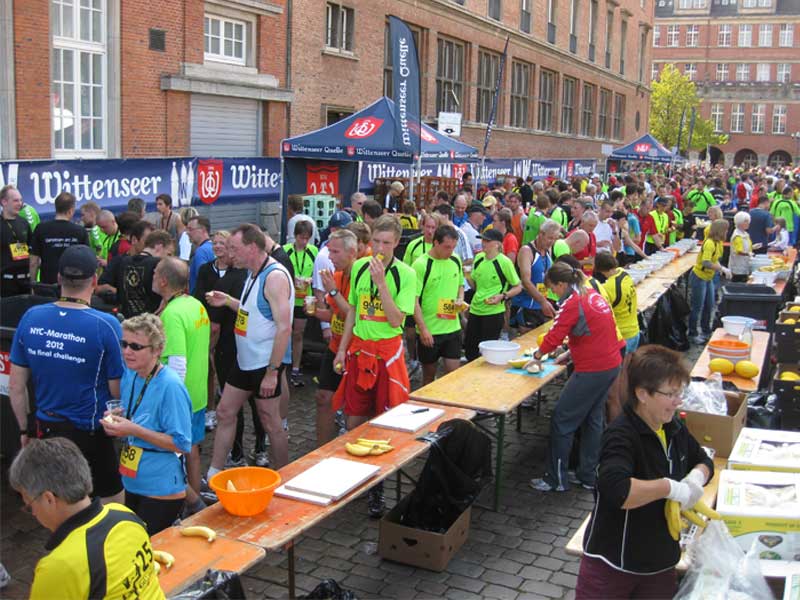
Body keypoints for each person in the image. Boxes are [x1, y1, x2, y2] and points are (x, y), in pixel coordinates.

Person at [577, 346, 713, 599]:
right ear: (642, 394)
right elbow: (619, 491)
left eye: (680, 392)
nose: (678, 401)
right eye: (670, 394)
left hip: (660, 563)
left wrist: (697, 476)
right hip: (614, 564)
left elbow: (704, 460)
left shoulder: (673, 428)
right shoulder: (621, 436)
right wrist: (670, 487)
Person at [9, 245, 125, 503]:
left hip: (47, 428)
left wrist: (24, 431)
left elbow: (16, 386)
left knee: (60, 500)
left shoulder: (31, 317)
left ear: (59, 278)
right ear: (94, 280)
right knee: (111, 502)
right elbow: (117, 390)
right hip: (91, 431)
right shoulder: (107, 324)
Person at [332, 215, 416, 517]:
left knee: (384, 422)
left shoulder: (406, 274)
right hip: (359, 351)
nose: (380, 249)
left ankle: (377, 488)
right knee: (354, 419)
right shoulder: (358, 267)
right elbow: (353, 311)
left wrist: (382, 284)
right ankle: (354, 477)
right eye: (376, 242)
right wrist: (342, 349)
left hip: (387, 355)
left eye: (386, 243)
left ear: (396, 243)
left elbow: (396, 320)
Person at [9, 438, 164, 599]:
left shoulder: (58, 567)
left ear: (49, 499)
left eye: (30, 506)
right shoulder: (125, 515)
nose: (34, 514)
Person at [206, 223, 294, 475]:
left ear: (252, 247)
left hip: (264, 364)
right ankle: (214, 474)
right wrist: (228, 301)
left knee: (271, 422)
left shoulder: (274, 277)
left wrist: (272, 372)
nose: (230, 254)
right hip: (245, 361)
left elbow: (284, 328)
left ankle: (284, 477)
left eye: (235, 248)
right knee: (225, 411)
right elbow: (254, 312)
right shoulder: (253, 272)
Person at [530, 262, 623, 492]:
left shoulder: (572, 302)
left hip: (593, 368)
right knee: (593, 419)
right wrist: (570, 353)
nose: (553, 293)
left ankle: (556, 479)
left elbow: (554, 335)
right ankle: (588, 475)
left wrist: (537, 356)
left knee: (562, 419)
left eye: (553, 288)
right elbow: (596, 330)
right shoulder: (590, 293)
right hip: (610, 362)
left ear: (562, 284)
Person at [101, 313, 193, 534]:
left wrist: (133, 429)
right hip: (132, 480)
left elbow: (182, 444)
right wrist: (119, 418)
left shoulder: (170, 386)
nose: (127, 352)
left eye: (136, 346)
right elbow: (139, 414)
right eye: (124, 344)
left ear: (157, 350)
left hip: (161, 488)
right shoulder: (131, 374)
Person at [152, 257, 210, 512]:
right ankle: (194, 505)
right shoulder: (195, 304)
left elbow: (177, 364)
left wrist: (167, 401)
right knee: (192, 449)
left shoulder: (173, 315)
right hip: (197, 393)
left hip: (180, 398)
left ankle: (182, 504)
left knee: (173, 453)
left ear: (164, 280)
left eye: (155, 272)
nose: (152, 276)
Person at [204, 235, 264, 467]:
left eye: (231, 248)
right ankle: (258, 450)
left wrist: (209, 349)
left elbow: (215, 327)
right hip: (248, 350)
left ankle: (240, 454)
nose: (228, 253)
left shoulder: (235, 280)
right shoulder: (252, 277)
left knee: (236, 408)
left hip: (234, 351)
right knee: (253, 405)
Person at [312, 229, 358, 446]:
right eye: (329, 251)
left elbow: (353, 315)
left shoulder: (361, 276)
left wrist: (332, 292)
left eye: (335, 252)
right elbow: (335, 314)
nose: (330, 257)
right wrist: (315, 312)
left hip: (354, 350)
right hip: (335, 346)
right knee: (323, 398)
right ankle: (321, 450)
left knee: (352, 409)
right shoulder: (337, 276)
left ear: (351, 252)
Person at [412, 224, 465, 386]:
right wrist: (423, 329)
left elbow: (460, 285)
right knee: (429, 378)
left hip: (452, 328)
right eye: (447, 247)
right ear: (436, 243)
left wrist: (460, 299)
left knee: (454, 376)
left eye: (453, 247)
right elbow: (413, 301)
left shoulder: (455, 260)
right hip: (430, 330)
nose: (450, 251)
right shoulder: (421, 265)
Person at [464, 228, 522, 361]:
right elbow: (476, 286)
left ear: (497, 244)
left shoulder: (504, 262)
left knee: (488, 351)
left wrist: (503, 296)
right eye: (482, 240)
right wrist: (467, 275)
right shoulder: (479, 258)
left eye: (487, 241)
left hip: (493, 312)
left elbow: (518, 286)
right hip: (475, 309)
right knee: (470, 349)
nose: (483, 243)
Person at [97, 230, 173, 318]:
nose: (168, 258)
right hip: (152, 319)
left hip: (128, 320)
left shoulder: (124, 262)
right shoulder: (158, 264)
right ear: (159, 247)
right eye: (168, 254)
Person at [284, 220, 318, 386]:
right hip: (288, 298)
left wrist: (310, 279)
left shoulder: (313, 251)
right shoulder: (285, 250)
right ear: (295, 236)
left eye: (307, 238)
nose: (304, 241)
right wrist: (293, 278)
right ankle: (283, 364)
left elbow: (318, 273)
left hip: (305, 299)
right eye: (301, 237)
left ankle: (296, 368)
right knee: (284, 332)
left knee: (298, 334)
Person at [29, 192, 88, 286]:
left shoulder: (41, 229)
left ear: (56, 208)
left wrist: (33, 284)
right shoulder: (80, 231)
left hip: (48, 284)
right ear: (71, 210)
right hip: (73, 285)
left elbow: (33, 261)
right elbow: (85, 261)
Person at [511, 220, 560, 332]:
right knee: (526, 339)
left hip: (541, 303)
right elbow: (526, 281)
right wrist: (543, 301)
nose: (552, 242)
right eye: (550, 238)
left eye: (555, 239)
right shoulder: (527, 251)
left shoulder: (548, 250)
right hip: (525, 304)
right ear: (541, 233)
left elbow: (547, 276)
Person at [689, 219, 731, 345]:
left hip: (708, 277)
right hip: (699, 277)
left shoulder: (718, 243)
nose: (727, 232)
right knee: (697, 307)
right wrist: (721, 269)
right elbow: (706, 262)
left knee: (709, 305)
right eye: (726, 230)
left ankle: (706, 331)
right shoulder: (709, 243)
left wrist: (722, 268)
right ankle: (692, 333)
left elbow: (715, 259)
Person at [595, 253, 640, 354]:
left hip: (621, 334)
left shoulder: (608, 288)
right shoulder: (624, 273)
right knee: (629, 362)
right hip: (634, 330)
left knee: (620, 363)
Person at [1, 185, 33, 296]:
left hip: (25, 281)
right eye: (15, 200)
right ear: (4, 202)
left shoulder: (24, 223)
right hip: (6, 283)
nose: (20, 203)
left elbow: (32, 248)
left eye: (20, 200)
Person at [187, 215, 215, 294]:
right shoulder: (214, 248)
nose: (187, 233)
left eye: (190, 229)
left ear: (203, 230)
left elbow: (202, 279)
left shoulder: (201, 251)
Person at [570, 211, 598, 275]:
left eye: (594, 226)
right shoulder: (573, 235)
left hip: (589, 274)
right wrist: (585, 262)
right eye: (590, 225)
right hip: (576, 275)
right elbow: (567, 262)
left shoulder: (592, 235)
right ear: (582, 222)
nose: (592, 229)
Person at [728, 211, 752, 283]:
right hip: (738, 267)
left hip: (745, 265)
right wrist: (748, 254)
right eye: (746, 221)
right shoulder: (737, 236)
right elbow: (738, 251)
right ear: (740, 222)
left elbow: (745, 246)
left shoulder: (745, 234)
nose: (748, 223)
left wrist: (753, 247)